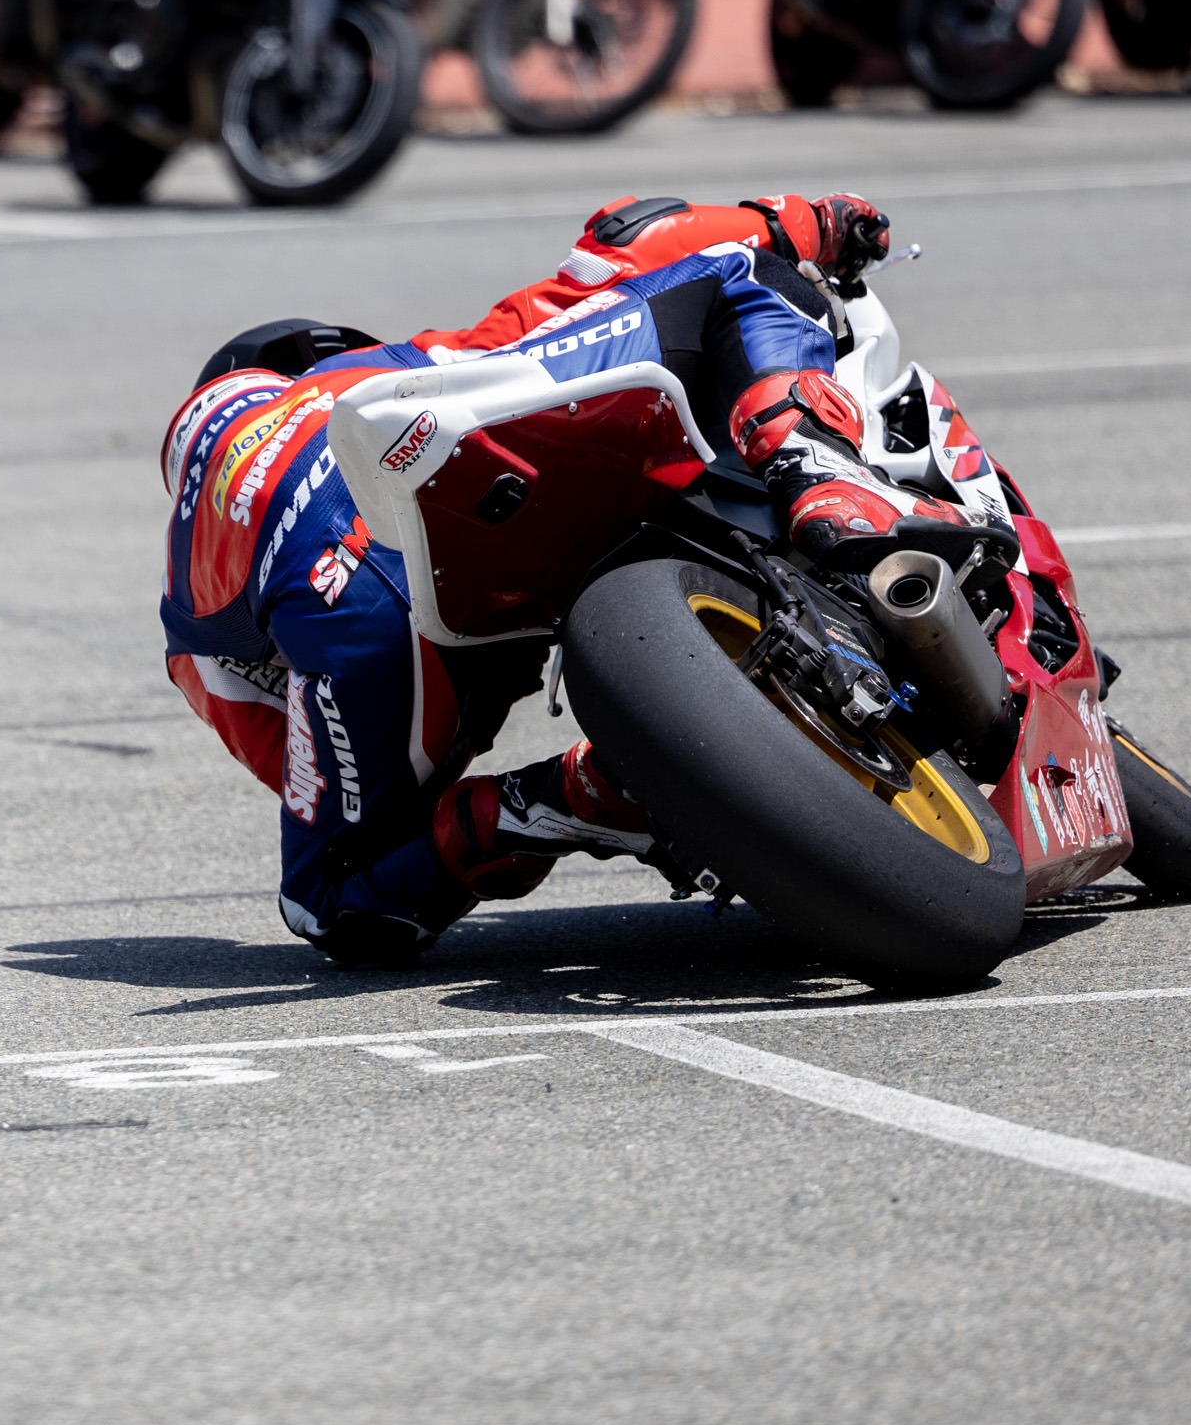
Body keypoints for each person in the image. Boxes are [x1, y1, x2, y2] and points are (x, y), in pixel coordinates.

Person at [157, 190, 1019, 965]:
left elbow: (288, 756)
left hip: (361, 617)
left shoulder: (187, 605)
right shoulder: (371, 371)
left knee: (332, 904)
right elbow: (623, 243)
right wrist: (812, 223)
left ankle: (561, 798)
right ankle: (809, 463)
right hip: (447, 477)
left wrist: (398, 782)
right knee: (732, 271)